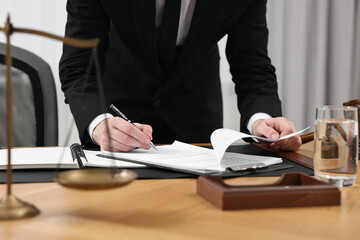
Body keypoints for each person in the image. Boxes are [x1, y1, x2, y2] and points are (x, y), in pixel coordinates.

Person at [59, 0, 302, 152]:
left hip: (196, 126)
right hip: (120, 121)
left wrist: (261, 119)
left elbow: (252, 64)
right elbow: (79, 66)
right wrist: (98, 123)